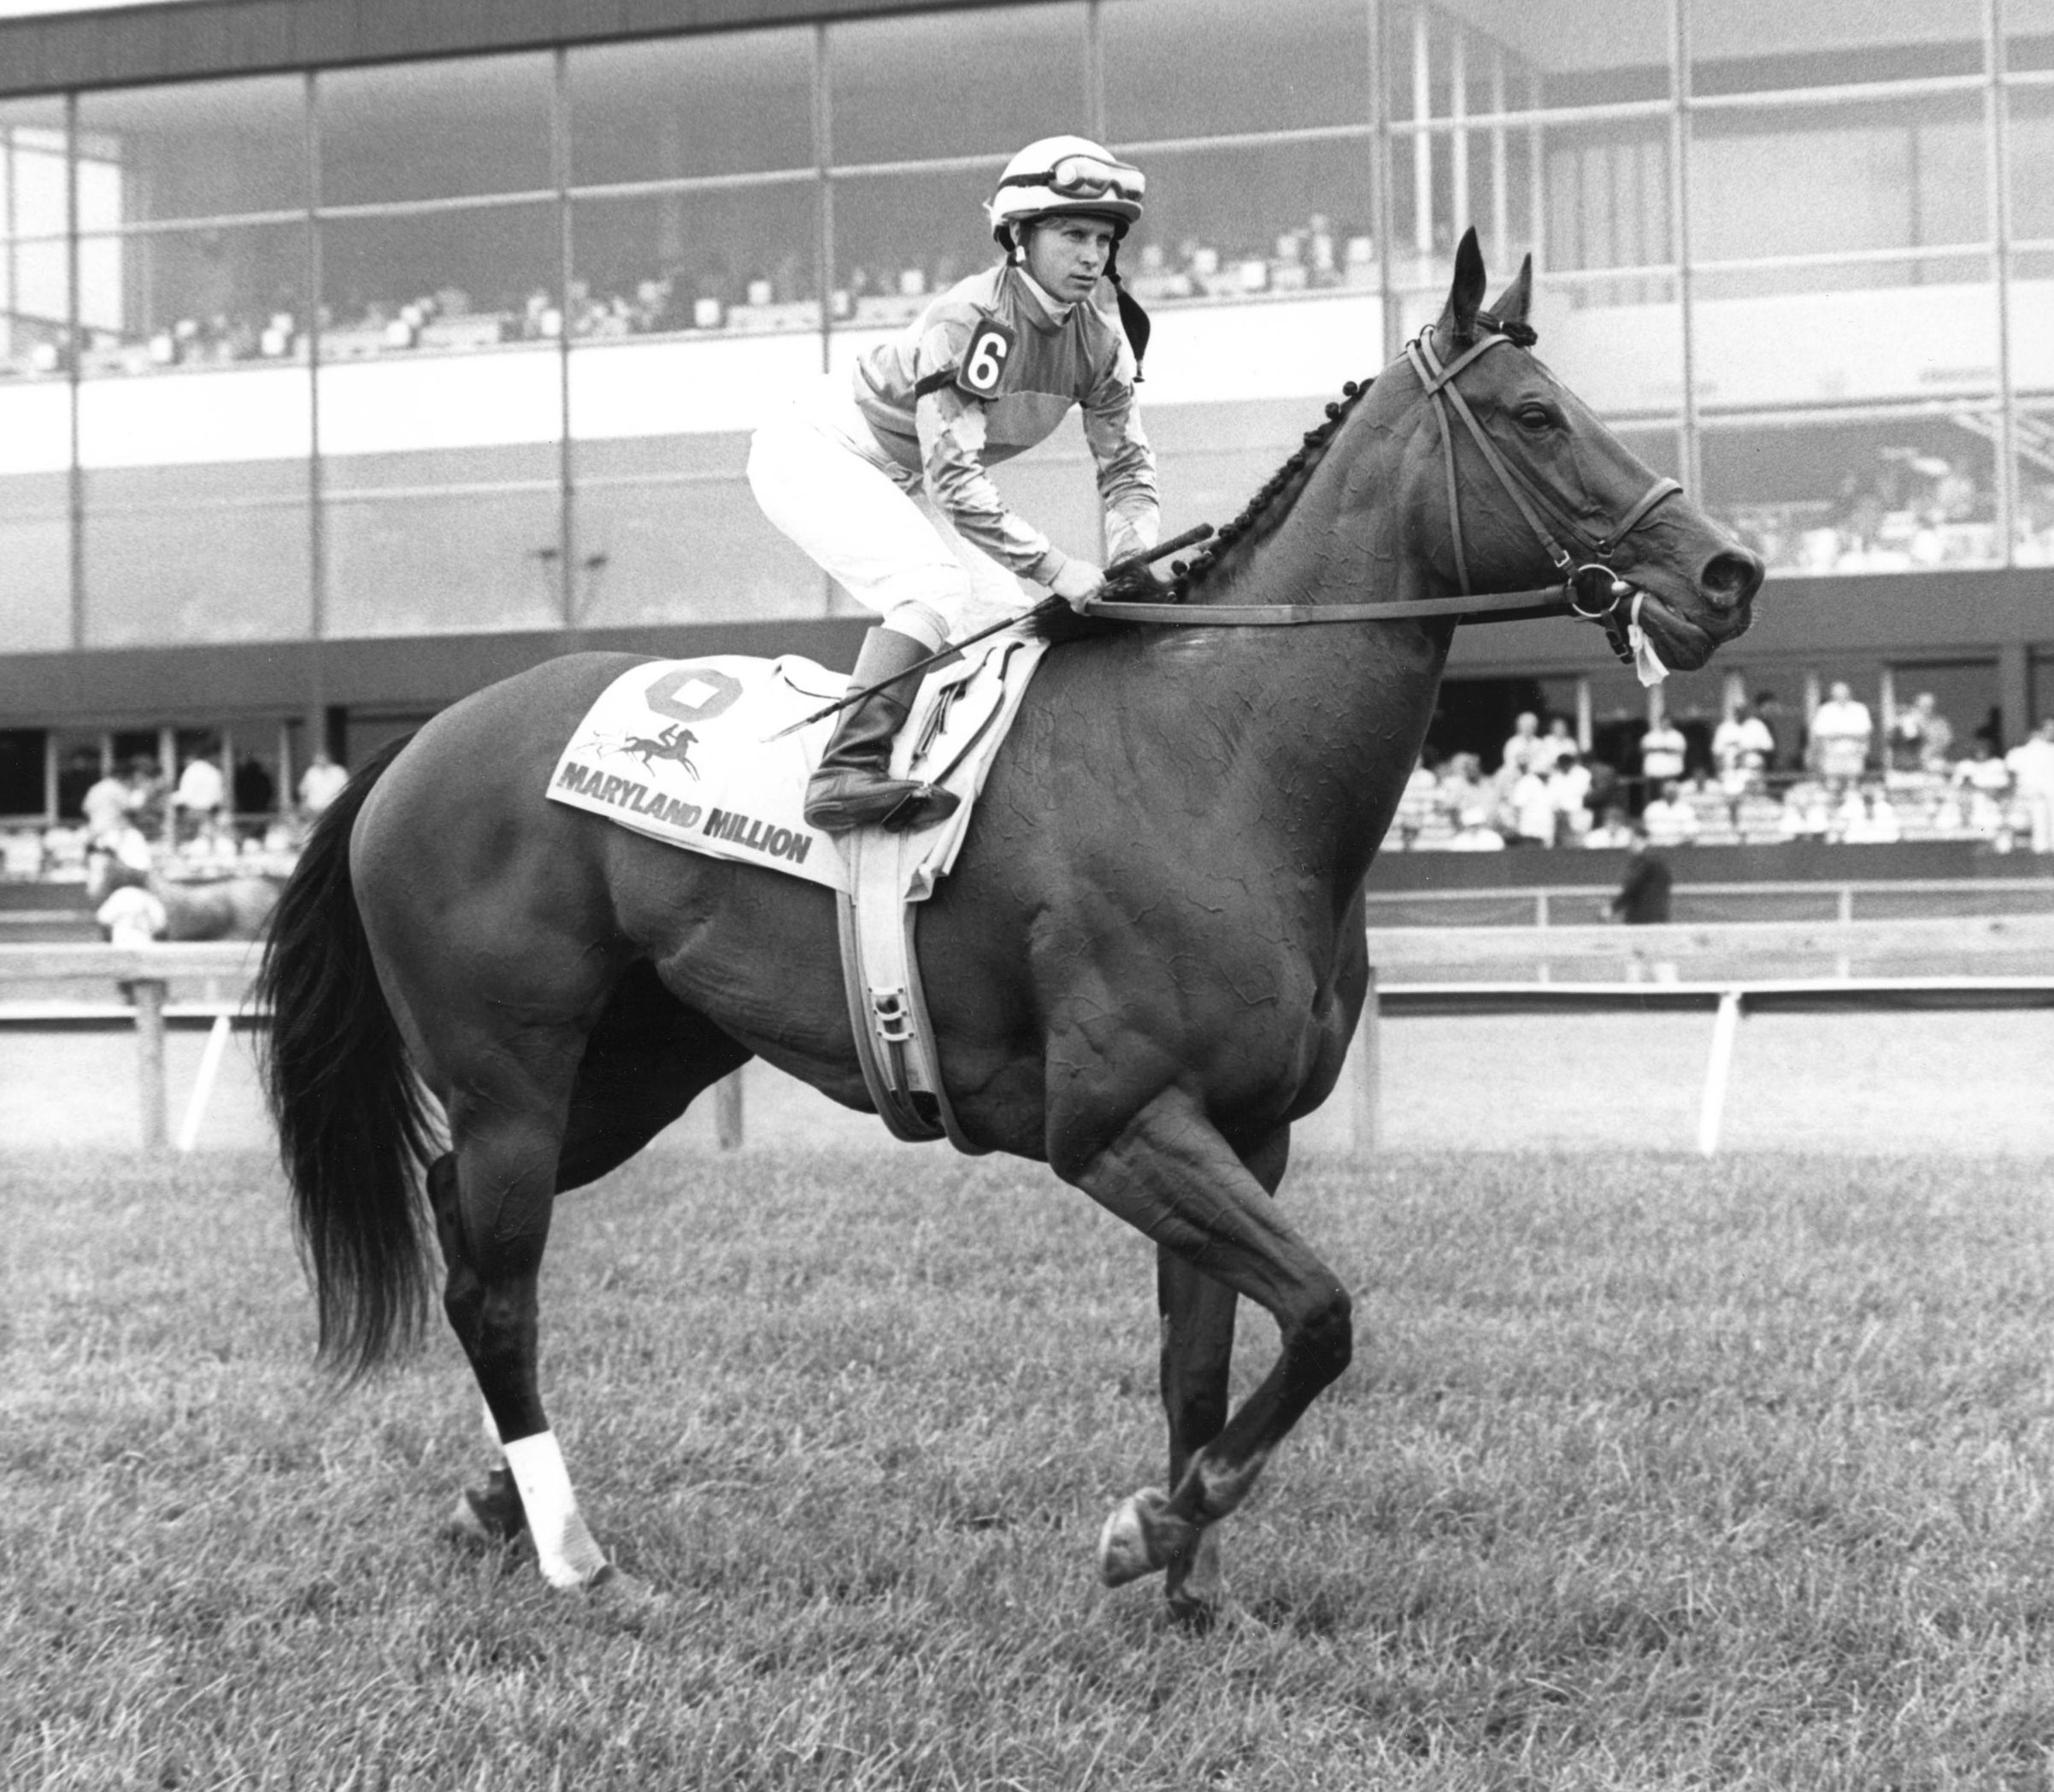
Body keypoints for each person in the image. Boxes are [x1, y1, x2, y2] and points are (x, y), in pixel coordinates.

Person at [748, 135, 1158, 831]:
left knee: (998, 615)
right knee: (932, 587)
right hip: (819, 450)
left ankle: (954, 775)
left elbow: (1125, 466)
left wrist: (1129, 558)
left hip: (907, 476)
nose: (1092, 256)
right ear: (1019, 237)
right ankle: (845, 771)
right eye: (1072, 234)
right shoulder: (973, 319)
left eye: (1103, 239)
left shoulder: (1101, 342)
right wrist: (1060, 568)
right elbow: (957, 481)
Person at [1809, 680, 1873, 790]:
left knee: (1853, 787)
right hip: (1831, 754)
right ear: (1832, 695)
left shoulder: (1859, 709)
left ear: (1849, 693)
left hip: (1854, 754)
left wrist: (1837, 734)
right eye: (1837, 694)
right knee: (1832, 786)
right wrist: (1849, 734)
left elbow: (1864, 733)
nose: (1841, 696)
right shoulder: (1825, 710)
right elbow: (1820, 734)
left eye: (1843, 693)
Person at [1606, 821, 1673, 924]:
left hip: (1643, 917)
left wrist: (1613, 908)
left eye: (1631, 839)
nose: (1629, 843)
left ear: (1638, 839)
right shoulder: (1657, 859)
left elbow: (1634, 888)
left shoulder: (1645, 861)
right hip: (1658, 916)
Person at [2004, 718, 2054, 853]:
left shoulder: (2051, 750)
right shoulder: (2018, 752)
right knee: (2039, 837)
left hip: (2048, 798)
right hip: (2028, 798)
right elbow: (2012, 779)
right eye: (2049, 729)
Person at [1638, 714, 1687, 798]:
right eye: (1664, 722)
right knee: (1654, 801)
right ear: (1660, 722)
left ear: (1671, 723)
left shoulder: (1677, 736)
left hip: (1671, 775)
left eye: (1668, 722)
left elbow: (1679, 750)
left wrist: (1657, 749)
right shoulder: (1651, 735)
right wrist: (1663, 749)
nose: (1665, 724)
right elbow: (1643, 749)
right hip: (1653, 776)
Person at [298, 749, 349, 820]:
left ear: (327, 758)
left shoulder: (338, 771)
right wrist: (304, 804)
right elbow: (303, 790)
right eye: (317, 759)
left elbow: (346, 789)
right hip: (314, 810)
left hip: (333, 808)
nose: (320, 761)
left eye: (322, 758)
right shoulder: (312, 772)